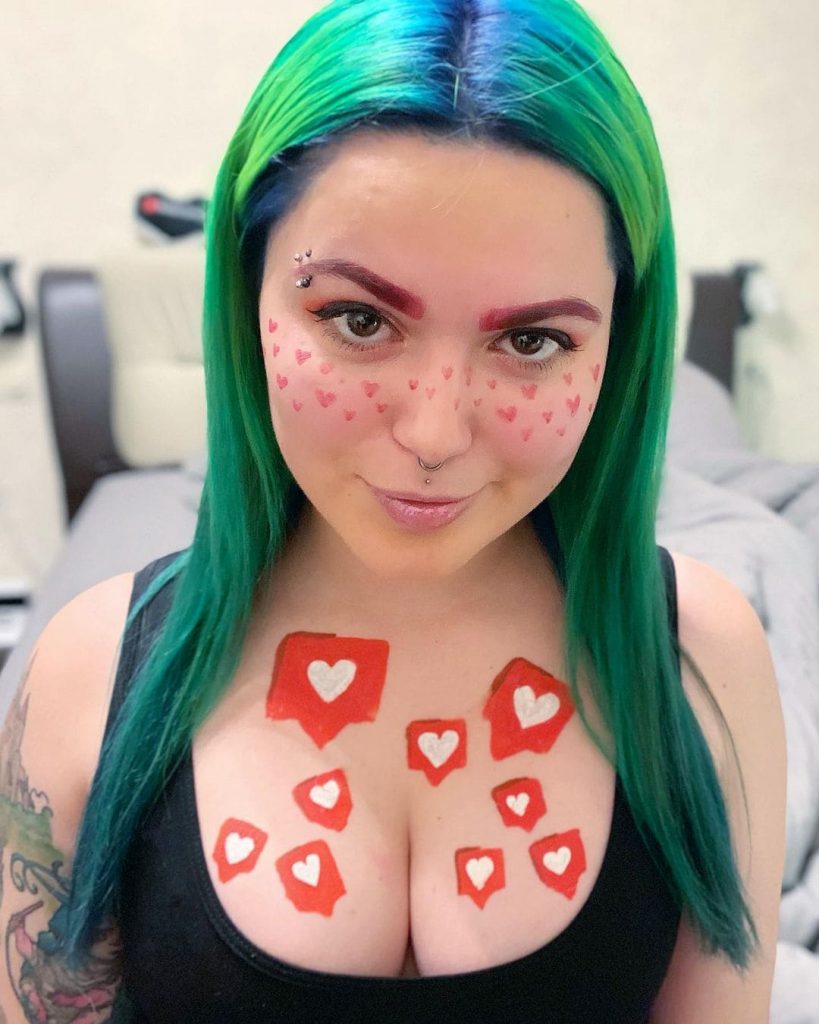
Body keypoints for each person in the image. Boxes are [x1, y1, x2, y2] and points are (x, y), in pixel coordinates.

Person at [0, 0, 787, 1021]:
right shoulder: (90, 673)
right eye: (358, 319)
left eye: (533, 342)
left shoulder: (696, 657)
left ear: (616, 350)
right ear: (246, 300)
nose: (433, 433)